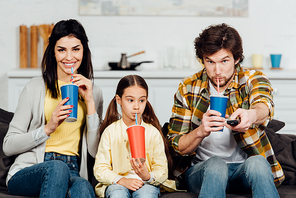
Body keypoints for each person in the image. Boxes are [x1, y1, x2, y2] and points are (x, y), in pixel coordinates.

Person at [167, 23, 285, 198]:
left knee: (258, 163)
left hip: (241, 170)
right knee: (215, 164)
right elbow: (176, 145)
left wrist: (251, 115)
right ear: (203, 60)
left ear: (236, 59)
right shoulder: (188, 87)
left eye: (224, 61)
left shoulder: (252, 79)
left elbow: (263, 105)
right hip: (202, 171)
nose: (217, 71)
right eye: (210, 62)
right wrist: (200, 131)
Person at [3, 19, 103, 198]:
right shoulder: (34, 87)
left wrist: (89, 103)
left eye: (76, 49)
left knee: (83, 186)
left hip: (72, 170)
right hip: (31, 169)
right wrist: (48, 128)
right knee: (57, 168)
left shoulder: (93, 92)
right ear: (53, 53)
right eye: (62, 50)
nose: (69, 57)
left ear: (84, 51)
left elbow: (95, 151)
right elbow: (8, 146)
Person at [93, 75, 175, 198]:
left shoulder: (152, 133)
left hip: (146, 183)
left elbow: (162, 170)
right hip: (117, 183)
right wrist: (121, 180)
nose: (136, 106)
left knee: (146, 195)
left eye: (141, 100)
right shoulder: (110, 132)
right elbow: (100, 168)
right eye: (130, 100)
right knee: (117, 194)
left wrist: (147, 176)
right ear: (119, 100)